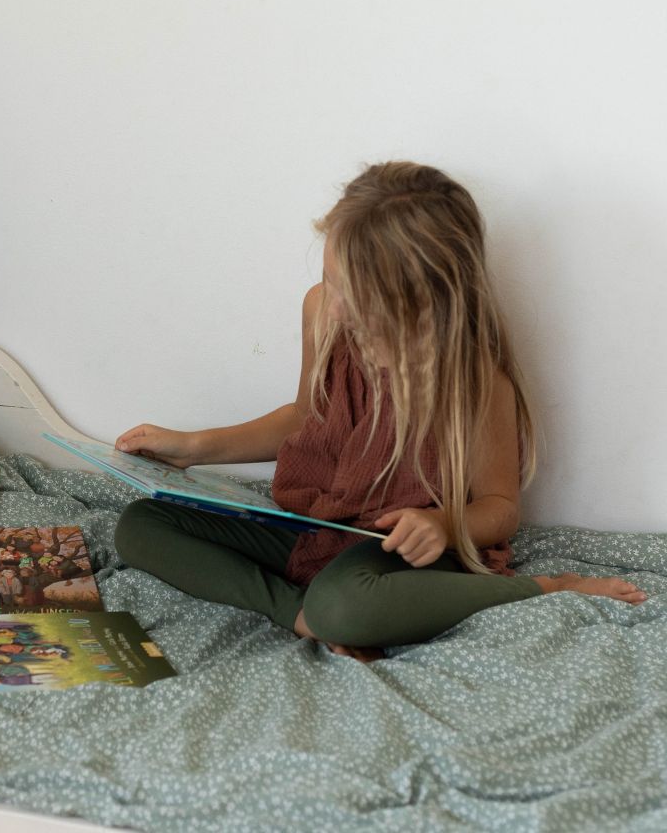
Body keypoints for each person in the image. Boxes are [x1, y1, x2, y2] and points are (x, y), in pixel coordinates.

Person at [113, 162, 647, 662]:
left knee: (346, 601)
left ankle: (544, 587)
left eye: (353, 293)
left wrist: (440, 524)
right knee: (141, 524)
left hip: (402, 552)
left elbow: (500, 508)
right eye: (330, 278)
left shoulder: (474, 382)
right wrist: (194, 446)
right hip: (319, 526)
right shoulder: (322, 312)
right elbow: (305, 418)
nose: (332, 303)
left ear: (419, 300)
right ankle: (301, 615)